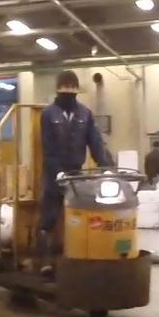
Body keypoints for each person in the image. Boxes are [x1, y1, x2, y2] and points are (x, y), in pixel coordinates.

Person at [37, 70, 113, 259]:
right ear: (57, 89)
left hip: (77, 174)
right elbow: (48, 146)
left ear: (77, 89)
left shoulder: (85, 114)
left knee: (79, 215)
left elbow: (95, 142)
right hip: (54, 174)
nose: (68, 91)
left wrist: (106, 167)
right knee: (49, 217)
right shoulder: (48, 114)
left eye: (72, 87)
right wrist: (57, 172)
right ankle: (45, 260)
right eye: (65, 87)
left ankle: (77, 253)